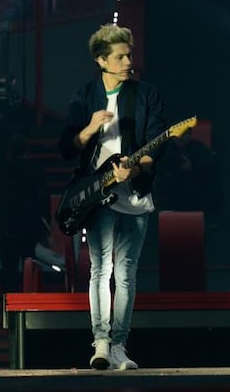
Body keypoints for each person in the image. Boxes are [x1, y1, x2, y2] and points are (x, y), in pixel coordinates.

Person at [58, 24, 165, 370]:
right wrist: (89, 128)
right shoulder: (84, 95)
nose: (128, 62)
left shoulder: (146, 94)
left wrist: (134, 170)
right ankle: (101, 342)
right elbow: (66, 147)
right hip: (98, 192)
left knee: (127, 272)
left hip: (134, 193)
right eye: (120, 57)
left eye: (129, 55)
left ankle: (119, 345)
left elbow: (156, 144)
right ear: (101, 60)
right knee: (100, 268)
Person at [0, 134, 50, 293]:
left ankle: (9, 304)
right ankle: (30, 300)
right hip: (29, 226)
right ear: (26, 151)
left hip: (7, 226)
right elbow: (43, 200)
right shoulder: (36, 171)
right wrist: (45, 224)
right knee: (29, 264)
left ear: (9, 151)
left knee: (8, 269)